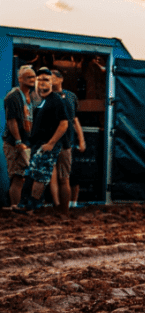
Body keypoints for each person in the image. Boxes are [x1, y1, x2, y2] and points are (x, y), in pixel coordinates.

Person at [23, 68, 69, 210]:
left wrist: (51, 143)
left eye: (46, 80)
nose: (43, 82)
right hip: (36, 144)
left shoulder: (56, 101)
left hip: (48, 145)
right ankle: (30, 206)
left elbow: (64, 123)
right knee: (33, 175)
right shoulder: (38, 100)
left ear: (52, 83)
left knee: (40, 176)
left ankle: (32, 207)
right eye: (40, 79)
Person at [49, 70, 85, 214]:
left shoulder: (71, 96)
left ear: (60, 79)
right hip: (50, 141)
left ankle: (66, 208)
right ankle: (57, 205)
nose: (50, 81)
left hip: (67, 142)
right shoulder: (45, 96)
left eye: (52, 78)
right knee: (51, 175)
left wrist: (82, 140)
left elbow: (75, 120)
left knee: (66, 177)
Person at [4, 65, 37, 208]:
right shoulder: (13, 96)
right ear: (19, 79)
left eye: (33, 77)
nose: (32, 79)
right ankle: (15, 207)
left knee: (23, 177)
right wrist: (18, 142)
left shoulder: (32, 96)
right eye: (29, 77)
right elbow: (11, 121)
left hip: (27, 142)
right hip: (15, 143)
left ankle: (19, 206)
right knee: (17, 177)